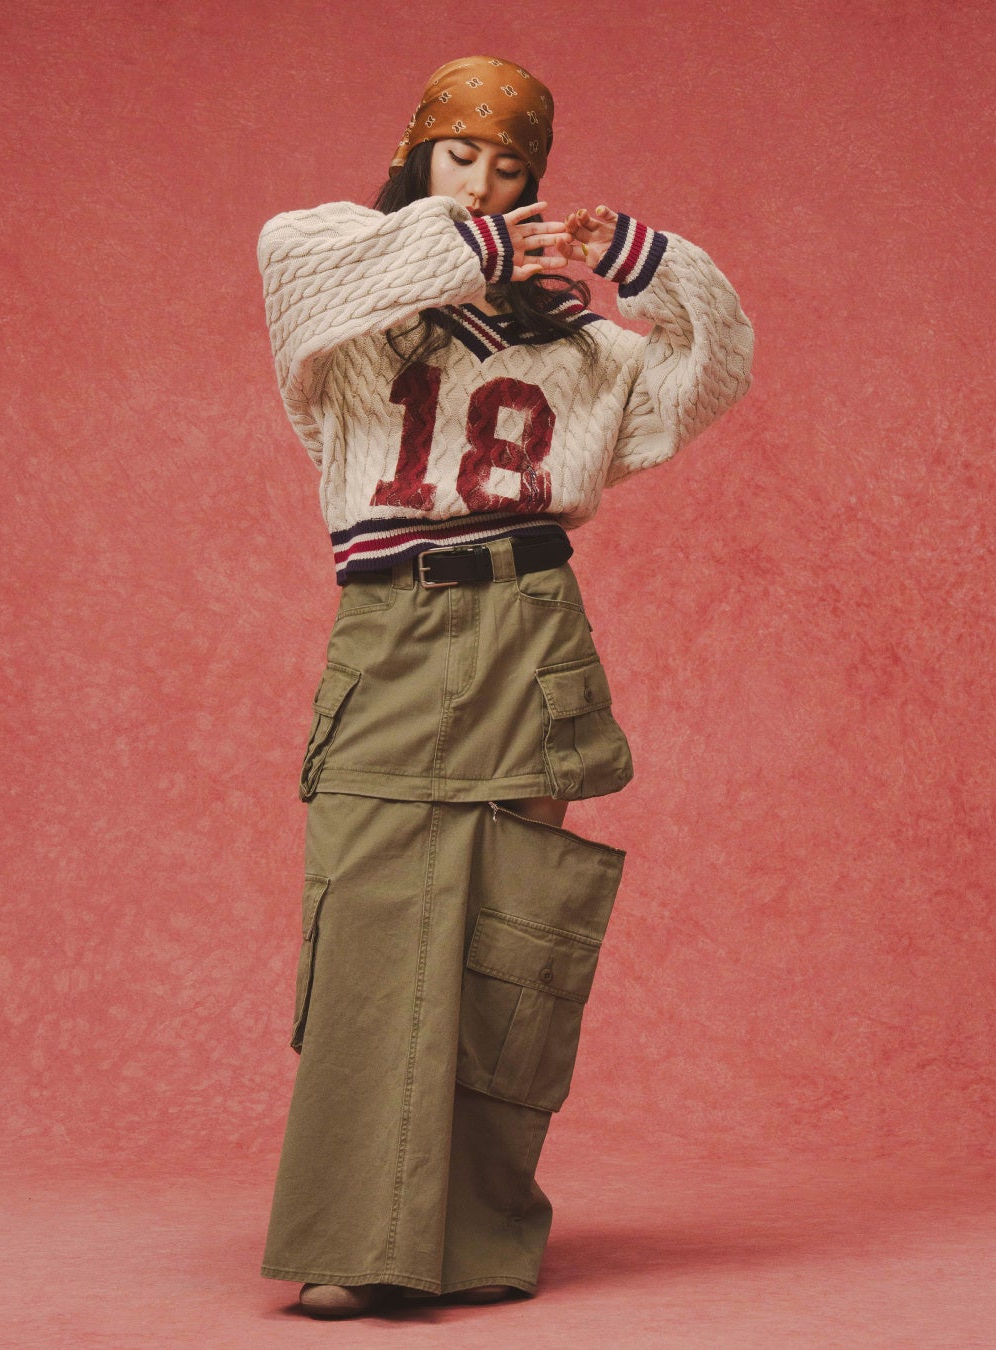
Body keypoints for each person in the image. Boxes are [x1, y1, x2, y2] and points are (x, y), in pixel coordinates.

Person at [256, 55, 753, 1319]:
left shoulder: (580, 350)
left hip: (532, 632)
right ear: (417, 155)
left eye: (509, 167)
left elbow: (715, 367)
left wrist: (638, 261)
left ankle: (471, 1241)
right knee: (371, 929)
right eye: (460, 154)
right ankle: (353, 1243)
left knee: (507, 948)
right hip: (394, 631)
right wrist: (472, 248)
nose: (482, 182)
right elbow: (302, 260)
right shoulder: (347, 301)